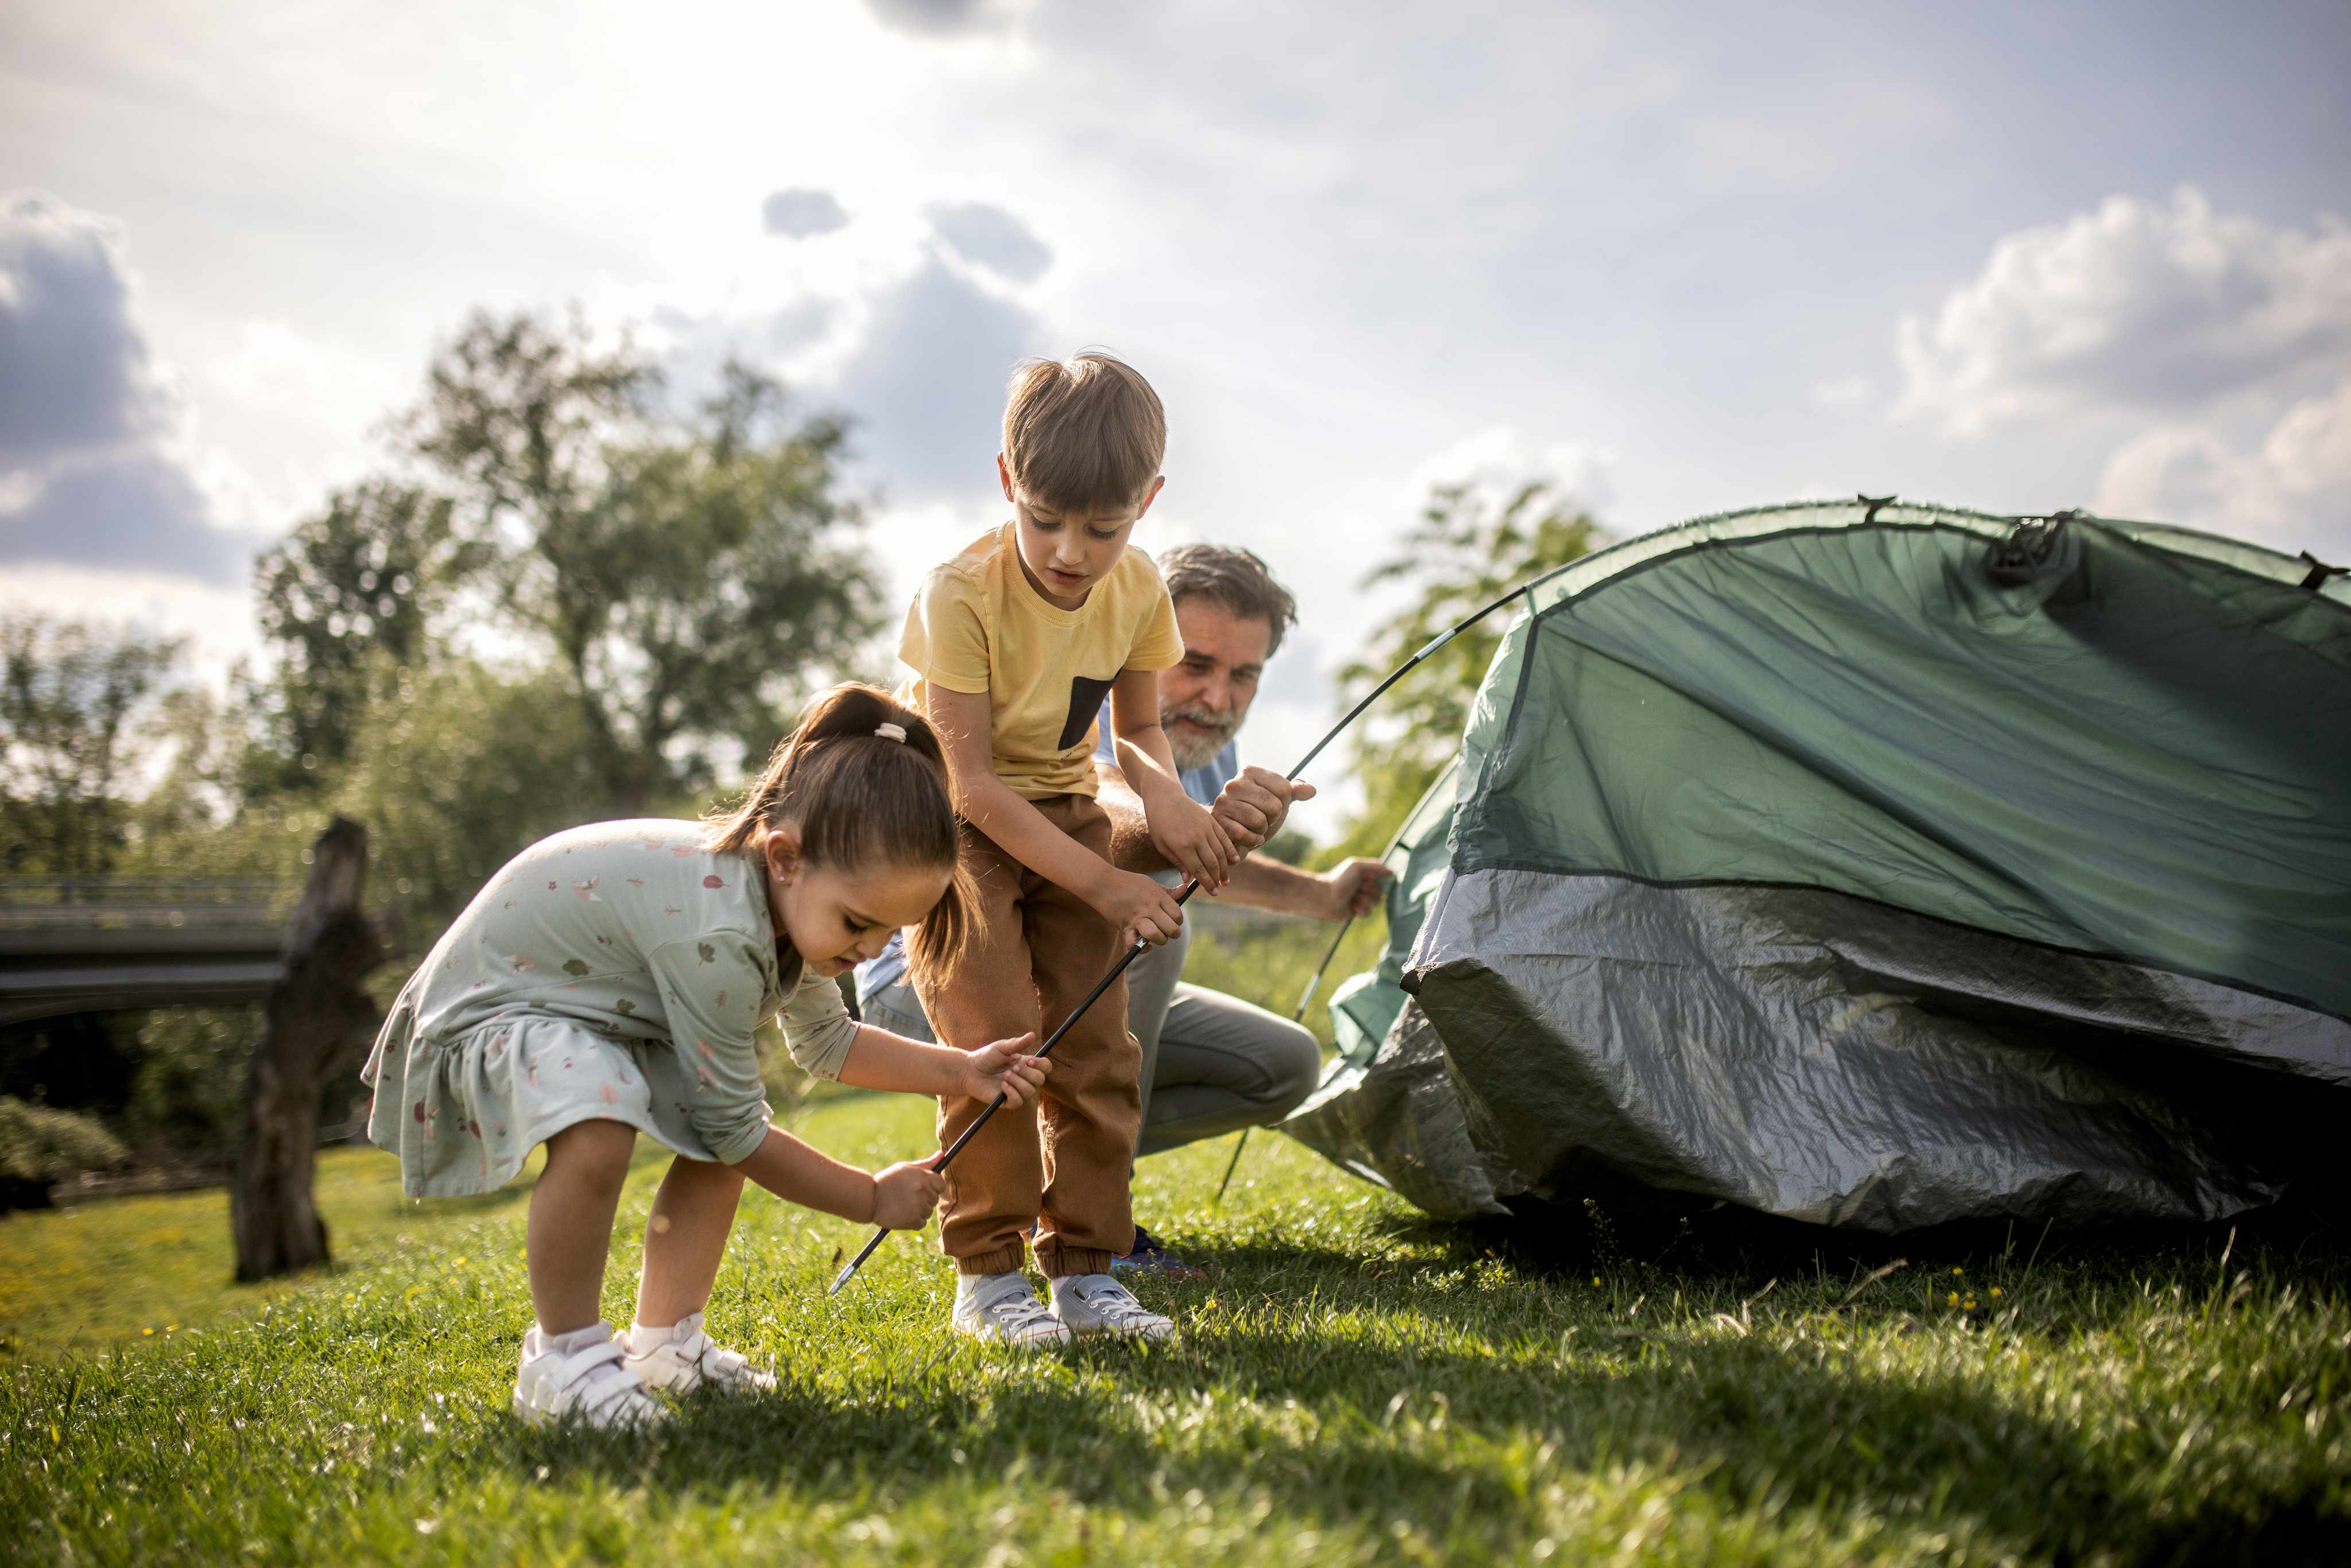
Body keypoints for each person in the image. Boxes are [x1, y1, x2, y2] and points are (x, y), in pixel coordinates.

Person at [361, 685, 1050, 1428]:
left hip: (594, 1009)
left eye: (892, 934)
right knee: (603, 1128)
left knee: (712, 1142)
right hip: (498, 1004)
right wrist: (868, 1197)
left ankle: (665, 1347)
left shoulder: (791, 904)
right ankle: (564, 1362)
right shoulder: (719, 934)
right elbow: (736, 1129)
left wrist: (960, 1069)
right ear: (785, 857)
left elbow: (827, 1042)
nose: (867, 950)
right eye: (859, 923)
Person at [861, 544, 1391, 1275]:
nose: (1217, 698)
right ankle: (1086, 1214)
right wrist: (1179, 824)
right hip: (923, 981)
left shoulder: (1201, 750)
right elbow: (1109, 817)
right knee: (1151, 936)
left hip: (1069, 972)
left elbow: (1191, 855)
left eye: (1245, 675)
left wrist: (1323, 894)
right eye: (1196, 664)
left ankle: (1041, 1161)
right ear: (1144, 641)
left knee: (1285, 1065)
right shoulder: (1091, 697)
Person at [895, 351, 1237, 1349]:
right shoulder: (959, 592)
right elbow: (971, 786)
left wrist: (1166, 803)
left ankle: (1088, 1271)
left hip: (1065, 807)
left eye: (1104, 526)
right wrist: (1108, 882)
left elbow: (1135, 733)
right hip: (959, 829)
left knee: (1096, 1048)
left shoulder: (1135, 590)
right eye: (1045, 518)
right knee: (996, 1043)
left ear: (1148, 503)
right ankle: (990, 1277)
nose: (1071, 551)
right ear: (1007, 477)